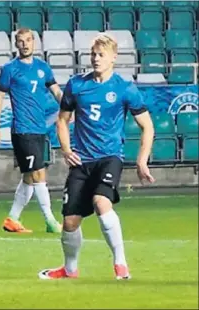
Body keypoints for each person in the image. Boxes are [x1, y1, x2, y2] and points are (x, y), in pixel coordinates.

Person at [38, 33, 155, 280]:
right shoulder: (76, 85)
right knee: (70, 222)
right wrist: (67, 150)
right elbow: (62, 120)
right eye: (93, 54)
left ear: (114, 57)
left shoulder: (124, 89)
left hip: (110, 157)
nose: (95, 58)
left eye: (101, 54)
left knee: (102, 202)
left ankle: (120, 264)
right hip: (82, 160)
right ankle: (69, 270)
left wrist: (142, 160)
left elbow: (148, 125)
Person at [0, 28, 63, 234]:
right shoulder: (10, 69)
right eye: (20, 41)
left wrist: (67, 108)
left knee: (30, 177)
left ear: (34, 42)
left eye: (28, 40)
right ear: (16, 44)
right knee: (39, 174)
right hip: (23, 129)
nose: (25, 44)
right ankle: (50, 221)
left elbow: (56, 91)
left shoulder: (43, 68)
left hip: (39, 128)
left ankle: (12, 218)